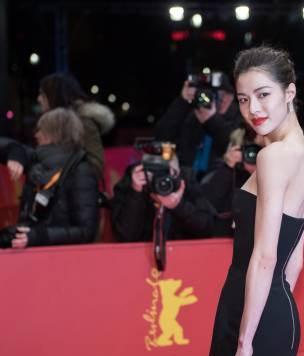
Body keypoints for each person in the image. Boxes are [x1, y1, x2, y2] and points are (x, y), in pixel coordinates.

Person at [203, 46, 304, 356]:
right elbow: (293, 264)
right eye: (243, 99)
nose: (253, 109)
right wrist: (269, 321)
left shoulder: (273, 158)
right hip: (272, 315)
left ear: (290, 92)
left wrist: (246, 341)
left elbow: (267, 258)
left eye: (264, 95)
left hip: (249, 318)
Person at [0, 108, 99, 248]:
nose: (36, 135)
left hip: (64, 260)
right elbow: (8, 145)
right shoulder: (37, 161)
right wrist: (14, 153)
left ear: (54, 134)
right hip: (32, 253)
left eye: (40, 129)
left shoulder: (80, 171)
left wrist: (39, 236)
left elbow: (86, 231)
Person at [110, 148, 217, 242]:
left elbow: (207, 228)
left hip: (183, 254)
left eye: (169, 171)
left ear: (178, 170)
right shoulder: (133, 183)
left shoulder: (186, 181)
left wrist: (178, 206)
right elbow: (125, 236)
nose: (163, 179)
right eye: (156, 171)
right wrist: (136, 192)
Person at [153, 72, 243, 177]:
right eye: (205, 94)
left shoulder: (240, 117)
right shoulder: (194, 115)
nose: (208, 99)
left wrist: (212, 120)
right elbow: (161, 136)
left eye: (216, 94)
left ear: (230, 96)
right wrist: (182, 101)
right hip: (189, 180)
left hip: (220, 183)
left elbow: (237, 144)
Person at [37, 73, 115, 180]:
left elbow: (95, 167)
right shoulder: (49, 125)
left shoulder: (83, 122)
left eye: (42, 94)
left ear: (54, 95)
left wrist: (62, 169)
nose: (38, 99)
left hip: (77, 194)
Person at [200, 128, 264, 237]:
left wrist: (257, 172)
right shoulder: (224, 170)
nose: (251, 155)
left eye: (255, 150)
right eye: (246, 150)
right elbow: (209, 203)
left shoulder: (269, 170)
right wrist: (228, 165)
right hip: (226, 236)